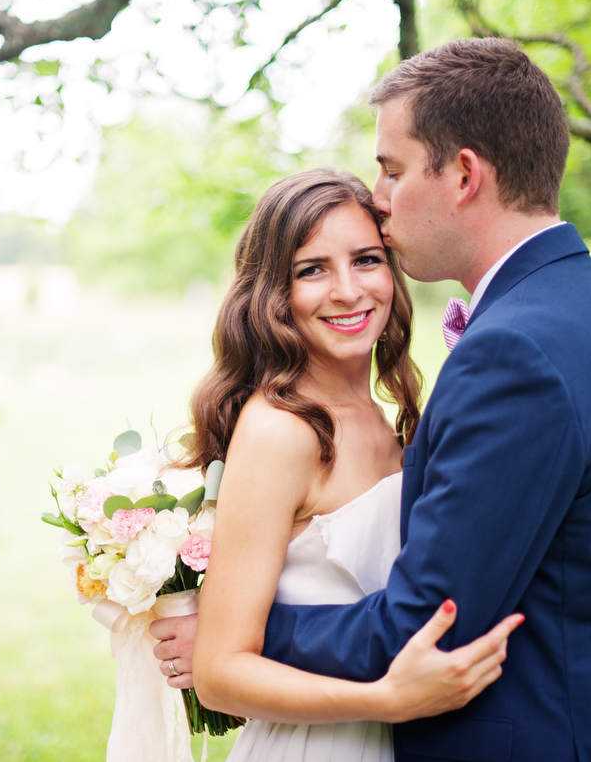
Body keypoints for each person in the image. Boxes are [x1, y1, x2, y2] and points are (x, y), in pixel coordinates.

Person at [152, 37, 591, 762]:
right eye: (312, 270)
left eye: (392, 170)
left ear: (462, 175)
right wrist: (231, 643)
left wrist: (237, 625)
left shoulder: (512, 351)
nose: (383, 198)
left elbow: (430, 620)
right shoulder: (585, 307)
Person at [161, 167, 524, 761]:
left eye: (366, 260)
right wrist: (387, 701)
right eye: (312, 270)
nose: (349, 291)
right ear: (273, 295)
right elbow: (221, 670)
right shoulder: (281, 430)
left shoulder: (388, 412)